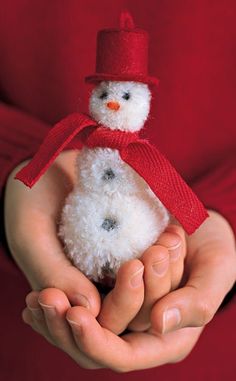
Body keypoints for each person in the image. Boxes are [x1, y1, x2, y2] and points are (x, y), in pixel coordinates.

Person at [0, 1, 235, 380]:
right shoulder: (86, 144)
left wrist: (224, 216)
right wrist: (14, 168)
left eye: (124, 97)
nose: (112, 102)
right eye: (106, 92)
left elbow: (165, 188)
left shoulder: (142, 159)